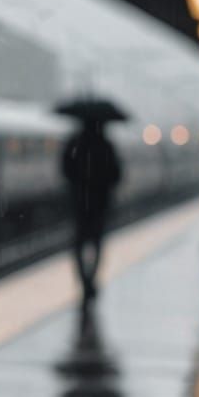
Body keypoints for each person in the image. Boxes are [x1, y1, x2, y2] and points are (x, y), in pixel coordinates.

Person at [62, 120, 122, 304]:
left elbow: (65, 168)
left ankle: (84, 281)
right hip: (100, 203)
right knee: (96, 242)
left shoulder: (75, 143)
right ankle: (92, 279)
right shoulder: (106, 144)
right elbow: (116, 173)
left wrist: (80, 183)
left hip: (80, 202)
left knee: (79, 244)